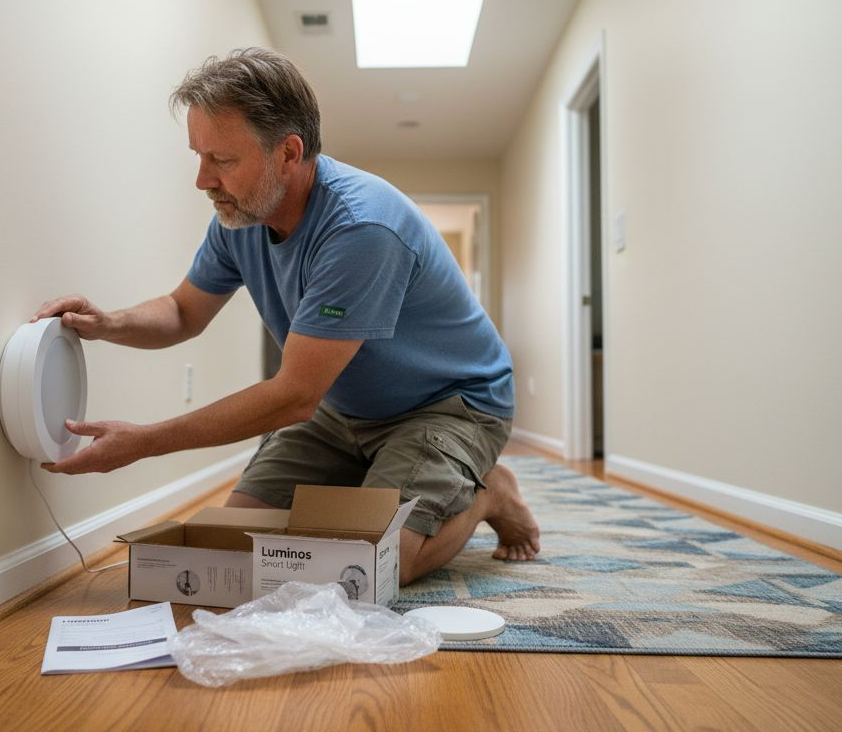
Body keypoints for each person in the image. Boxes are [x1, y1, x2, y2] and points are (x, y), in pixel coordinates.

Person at [33, 48, 539, 585]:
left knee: (375, 567)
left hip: (448, 405)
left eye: (222, 160)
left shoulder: (361, 229)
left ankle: (489, 494)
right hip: (343, 405)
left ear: (288, 154)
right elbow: (183, 312)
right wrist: (108, 322)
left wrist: (146, 441)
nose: (203, 180)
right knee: (237, 542)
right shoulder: (241, 214)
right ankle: (379, 480)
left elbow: (295, 395)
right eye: (198, 156)